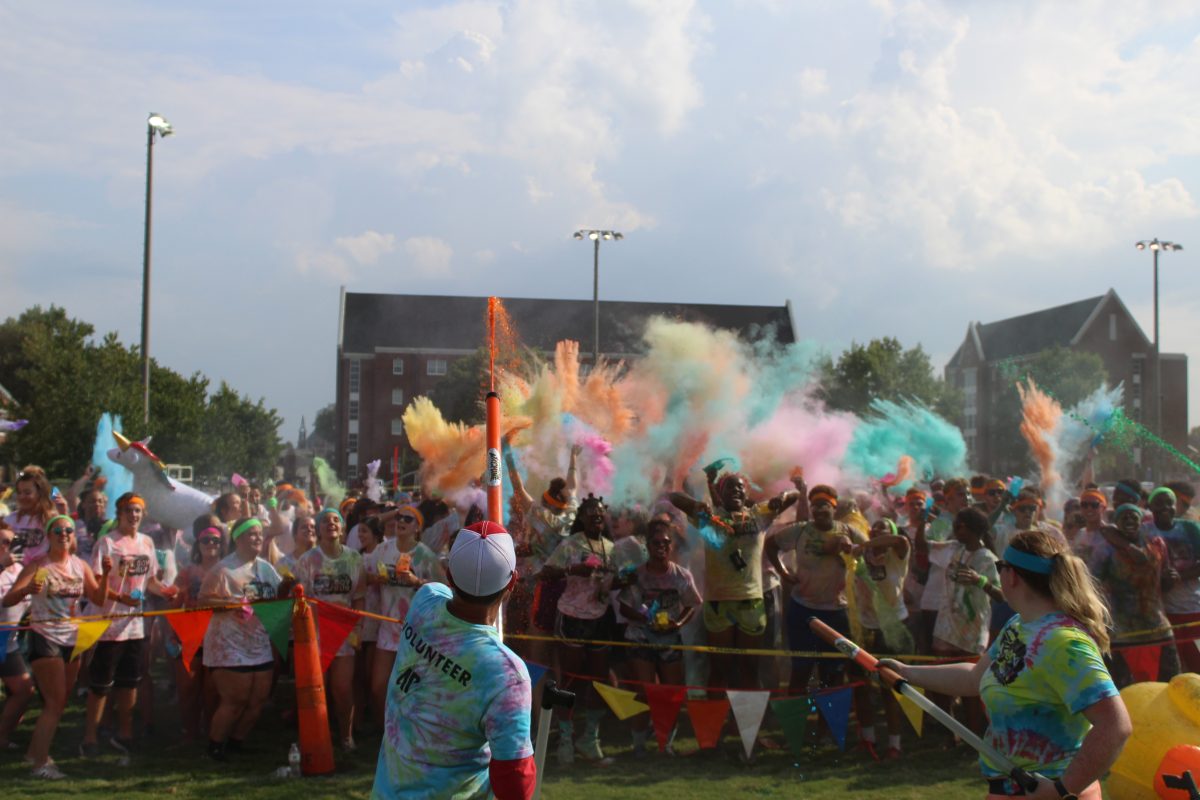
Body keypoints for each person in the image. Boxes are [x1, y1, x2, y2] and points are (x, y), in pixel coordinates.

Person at [880, 530, 1131, 799]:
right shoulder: (1020, 625)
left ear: (1011, 576)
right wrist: (906, 672)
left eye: (1000, 568)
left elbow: (1115, 726)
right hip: (1007, 790)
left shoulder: (1063, 642)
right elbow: (974, 678)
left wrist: (1062, 788)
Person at [371, 520, 534, 800]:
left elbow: (441, 592)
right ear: (513, 583)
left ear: (448, 573)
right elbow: (515, 779)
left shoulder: (424, 601)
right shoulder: (507, 675)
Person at [3, 514, 111, 778]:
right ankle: (40, 765)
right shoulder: (39, 565)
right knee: (54, 702)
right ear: (49, 537)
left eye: (69, 531)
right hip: (45, 637)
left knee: (59, 702)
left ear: (74, 536)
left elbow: (98, 597)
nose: (64, 534)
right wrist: (28, 589)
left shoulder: (79, 565)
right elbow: (8, 599)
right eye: (58, 531)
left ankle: (34, 751)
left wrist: (107, 574)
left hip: (72, 640)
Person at [80, 491, 178, 760]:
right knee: (101, 685)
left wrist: (167, 591)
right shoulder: (107, 543)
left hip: (135, 626)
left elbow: (150, 583)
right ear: (119, 513)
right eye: (128, 511)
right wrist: (119, 596)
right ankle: (89, 737)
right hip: (108, 624)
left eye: (138, 511)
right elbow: (95, 585)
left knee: (130, 682)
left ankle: (126, 734)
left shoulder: (147, 543)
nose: (133, 516)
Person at [198, 516, 286, 760]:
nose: (258, 537)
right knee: (235, 700)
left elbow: (278, 596)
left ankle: (237, 744)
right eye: (252, 534)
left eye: (260, 533)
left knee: (258, 699)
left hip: (259, 642)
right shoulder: (224, 569)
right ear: (238, 539)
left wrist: (290, 586)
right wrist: (231, 604)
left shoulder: (266, 568)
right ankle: (215, 747)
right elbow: (202, 601)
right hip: (229, 644)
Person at [540, 493, 618, 765]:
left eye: (600, 513)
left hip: (601, 617)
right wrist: (574, 569)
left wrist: (622, 580)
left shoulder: (611, 546)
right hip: (572, 616)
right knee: (569, 679)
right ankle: (565, 740)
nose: (597, 517)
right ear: (582, 518)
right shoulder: (571, 544)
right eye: (591, 513)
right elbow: (546, 571)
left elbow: (611, 582)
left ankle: (590, 739)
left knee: (598, 680)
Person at [765, 484, 863, 695]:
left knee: (833, 675)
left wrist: (851, 551)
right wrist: (783, 573)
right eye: (814, 505)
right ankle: (796, 726)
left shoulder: (847, 531)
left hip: (836, 612)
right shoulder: (801, 530)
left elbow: (868, 554)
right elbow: (770, 545)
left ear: (834, 508)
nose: (818, 510)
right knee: (801, 671)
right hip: (803, 610)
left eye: (824, 505)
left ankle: (827, 727)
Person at [618, 514, 700, 757]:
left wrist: (677, 623)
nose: (661, 547)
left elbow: (692, 604)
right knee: (643, 692)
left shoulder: (681, 575)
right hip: (640, 639)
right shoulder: (635, 574)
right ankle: (639, 745)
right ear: (647, 545)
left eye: (666, 542)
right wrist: (645, 619)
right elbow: (623, 606)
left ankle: (667, 744)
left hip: (670, 641)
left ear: (671, 545)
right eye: (656, 543)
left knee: (671, 694)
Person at [920, 507, 1001, 735]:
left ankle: (975, 736)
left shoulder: (988, 559)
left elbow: (1002, 595)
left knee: (970, 686)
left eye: (959, 526)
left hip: (971, 631)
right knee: (941, 684)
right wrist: (925, 521)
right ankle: (949, 734)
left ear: (973, 529)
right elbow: (924, 544)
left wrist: (980, 580)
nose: (955, 530)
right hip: (945, 627)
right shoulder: (956, 551)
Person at [296, 507, 365, 751]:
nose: (331, 523)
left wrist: (357, 630)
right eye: (325, 521)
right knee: (318, 687)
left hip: (344, 632)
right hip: (315, 633)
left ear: (343, 528)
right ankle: (319, 736)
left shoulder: (354, 559)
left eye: (336, 520)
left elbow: (358, 597)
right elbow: (300, 598)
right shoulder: (307, 560)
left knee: (342, 688)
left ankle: (346, 736)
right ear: (319, 528)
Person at [366, 504, 442, 725]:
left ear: (417, 528)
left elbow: (444, 588)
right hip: (387, 627)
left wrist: (416, 581)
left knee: (411, 687)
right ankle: (386, 730)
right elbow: (366, 577)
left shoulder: (424, 555)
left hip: (416, 631)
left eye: (408, 519)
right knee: (378, 685)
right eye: (399, 517)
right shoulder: (383, 549)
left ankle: (408, 728)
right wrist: (377, 579)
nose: (401, 521)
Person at [1094, 504, 1180, 686]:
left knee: (1170, 683)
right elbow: (1091, 583)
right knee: (1123, 688)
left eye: (1133, 517)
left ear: (1141, 520)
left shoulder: (1157, 544)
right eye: (1123, 517)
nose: (1129, 521)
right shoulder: (1105, 549)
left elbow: (1164, 579)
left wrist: (1171, 579)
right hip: (1122, 632)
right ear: (1116, 522)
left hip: (1157, 626)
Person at [850, 517, 910, 759]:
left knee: (890, 688)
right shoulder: (861, 557)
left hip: (892, 627)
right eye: (873, 529)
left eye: (883, 530)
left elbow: (900, 539)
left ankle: (894, 744)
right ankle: (868, 739)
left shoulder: (898, 555)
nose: (876, 533)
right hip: (864, 627)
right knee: (860, 686)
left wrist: (865, 544)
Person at [172, 516, 227, 743]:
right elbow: (174, 604)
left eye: (215, 541)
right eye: (206, 541)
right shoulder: (188, 571)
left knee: (212, 692)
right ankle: (190, 732)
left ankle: (210, 732)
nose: (211, 545)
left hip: (219, 637)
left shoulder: (227, 570)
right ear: (198, 545)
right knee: (187, 690)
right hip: (191, 637)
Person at [1145, 486, 1200, 673]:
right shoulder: (1144, 532)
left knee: (1196, 664)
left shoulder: (1190, 528)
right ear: (1150, 507)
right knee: (1173, 670)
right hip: (1162, 613)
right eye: (1159, 503)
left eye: (1170, 503)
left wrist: (1180, 577)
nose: (1165, 507)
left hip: (1193, 609)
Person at [0, 521, 34, 752]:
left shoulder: (21, 570)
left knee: (24, 691)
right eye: (3, 541)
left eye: (12, 542)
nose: (8, 546)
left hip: (9, 641)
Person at [4, 466, 55, 563]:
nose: (22, 497)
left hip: (43, 571)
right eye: (19, 492)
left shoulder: (51, 518)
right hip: (16, 572)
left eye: (27, 493)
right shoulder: (10, 519)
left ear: (40, 493)